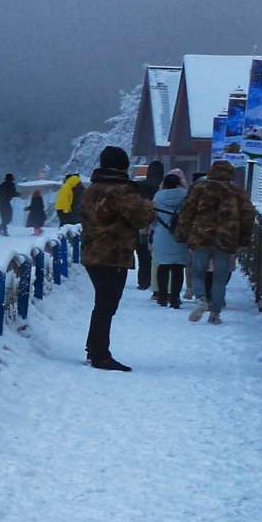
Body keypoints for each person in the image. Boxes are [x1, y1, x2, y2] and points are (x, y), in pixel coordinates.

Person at [76, 148, 159, 370]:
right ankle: (100, 354)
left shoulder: (91, 189)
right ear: (123, 165)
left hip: (91, 252)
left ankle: (94, 350)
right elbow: (142, 218)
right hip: (113, 255)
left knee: (102, 303)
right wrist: (149, 204)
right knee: (107, 304)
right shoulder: (123, 191)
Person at [175, 159, 256, 323]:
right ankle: (215, 313)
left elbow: (187, 211)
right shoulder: (236, 191)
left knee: (198, 272)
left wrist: (182, 233)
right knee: (220, 276)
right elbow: (248, 214)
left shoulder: (199, 188)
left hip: (201, 236)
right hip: (226, 239)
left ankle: (201, 299)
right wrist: (244, 238)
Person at [149, 169, 189, 305]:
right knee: (178, 268)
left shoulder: (158, 197)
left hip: (161, 234)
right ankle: (175, 298)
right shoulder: (186, 196)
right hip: (180, 236)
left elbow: (153, 218)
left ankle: (162, 296)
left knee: (163, 267)